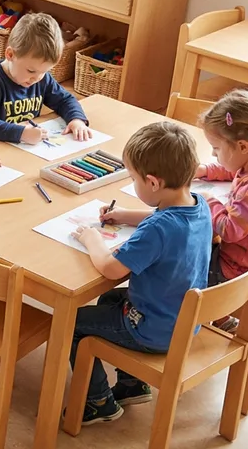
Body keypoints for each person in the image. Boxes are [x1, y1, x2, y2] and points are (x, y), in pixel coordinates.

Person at [71, 120, 212, 423]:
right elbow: (165, 217)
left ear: (152, 182)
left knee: (72, 323)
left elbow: (110, 268)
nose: (133, 184)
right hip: (184, 321)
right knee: (110, 300)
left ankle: (98, 402)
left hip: (155, 329)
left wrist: (91, 238)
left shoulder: (157, 229)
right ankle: (132, 384)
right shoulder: (200, 206)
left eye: (133, 178)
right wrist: (124, 215)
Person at [0, 12, 91, 145]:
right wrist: (20, 133)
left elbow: (65, 100)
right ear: (10, 54)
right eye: (31, 70)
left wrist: (76, 119)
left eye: (44, 71)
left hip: (24, 148)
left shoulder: (41, 79)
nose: (36, 78)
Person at [198, 91, 248, 291]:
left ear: (242, 147)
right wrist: (205, 170)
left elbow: (229, 230)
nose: (213, 155)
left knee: (175, 262)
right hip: (243, 261)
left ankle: (217, 316)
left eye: (216, 149)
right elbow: (233, 169)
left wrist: (209, 201)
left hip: (235, 271)